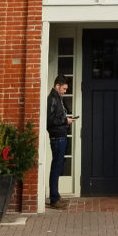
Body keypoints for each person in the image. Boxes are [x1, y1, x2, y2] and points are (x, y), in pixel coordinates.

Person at [46, 74, 74, 209]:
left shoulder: (58, 98)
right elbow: (50, 121)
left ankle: (55, 196)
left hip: (61, 136)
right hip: (57, 138)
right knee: (56, 167)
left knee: (58, 166)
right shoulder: (52, 99)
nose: (65, 91)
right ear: (57, 86)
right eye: (63, 89)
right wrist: (65, 120)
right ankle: (54, 199)